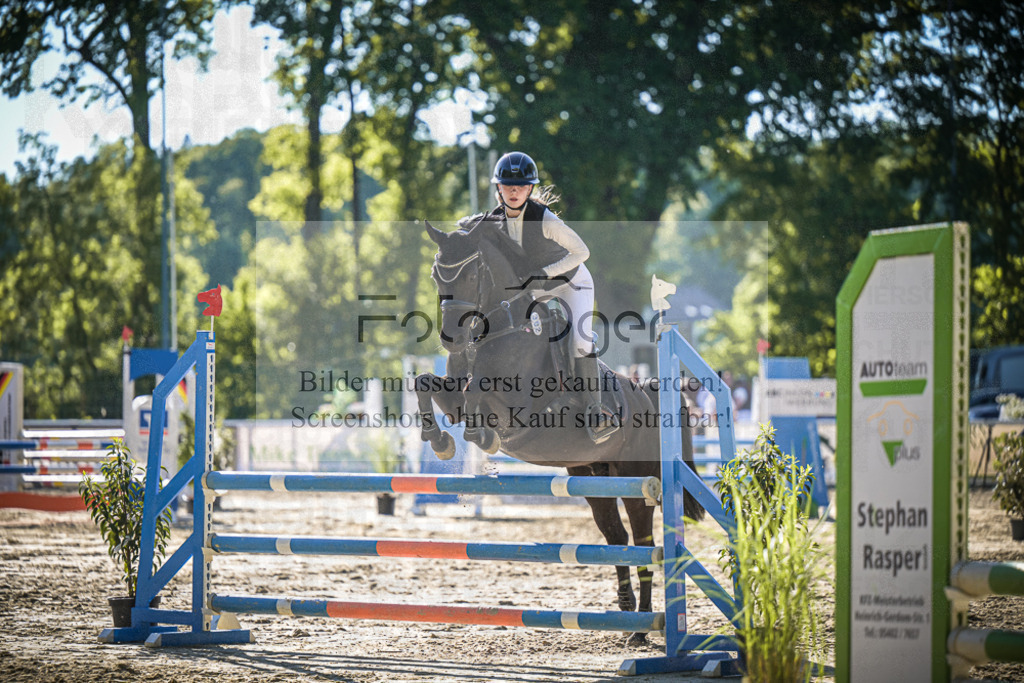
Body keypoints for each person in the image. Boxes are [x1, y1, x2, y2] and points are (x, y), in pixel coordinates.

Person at [468, 151, 617, 443]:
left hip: (572, 283)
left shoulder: (545, 219)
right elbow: (468, 227)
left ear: (530, 189)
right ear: (498, 188)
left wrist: (544, 273)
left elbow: (582, 253)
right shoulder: (493, 219)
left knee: (581, 340)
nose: (514, 191)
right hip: (534, 288)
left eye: (521, 186)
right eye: (508, 185)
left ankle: (596, 410)